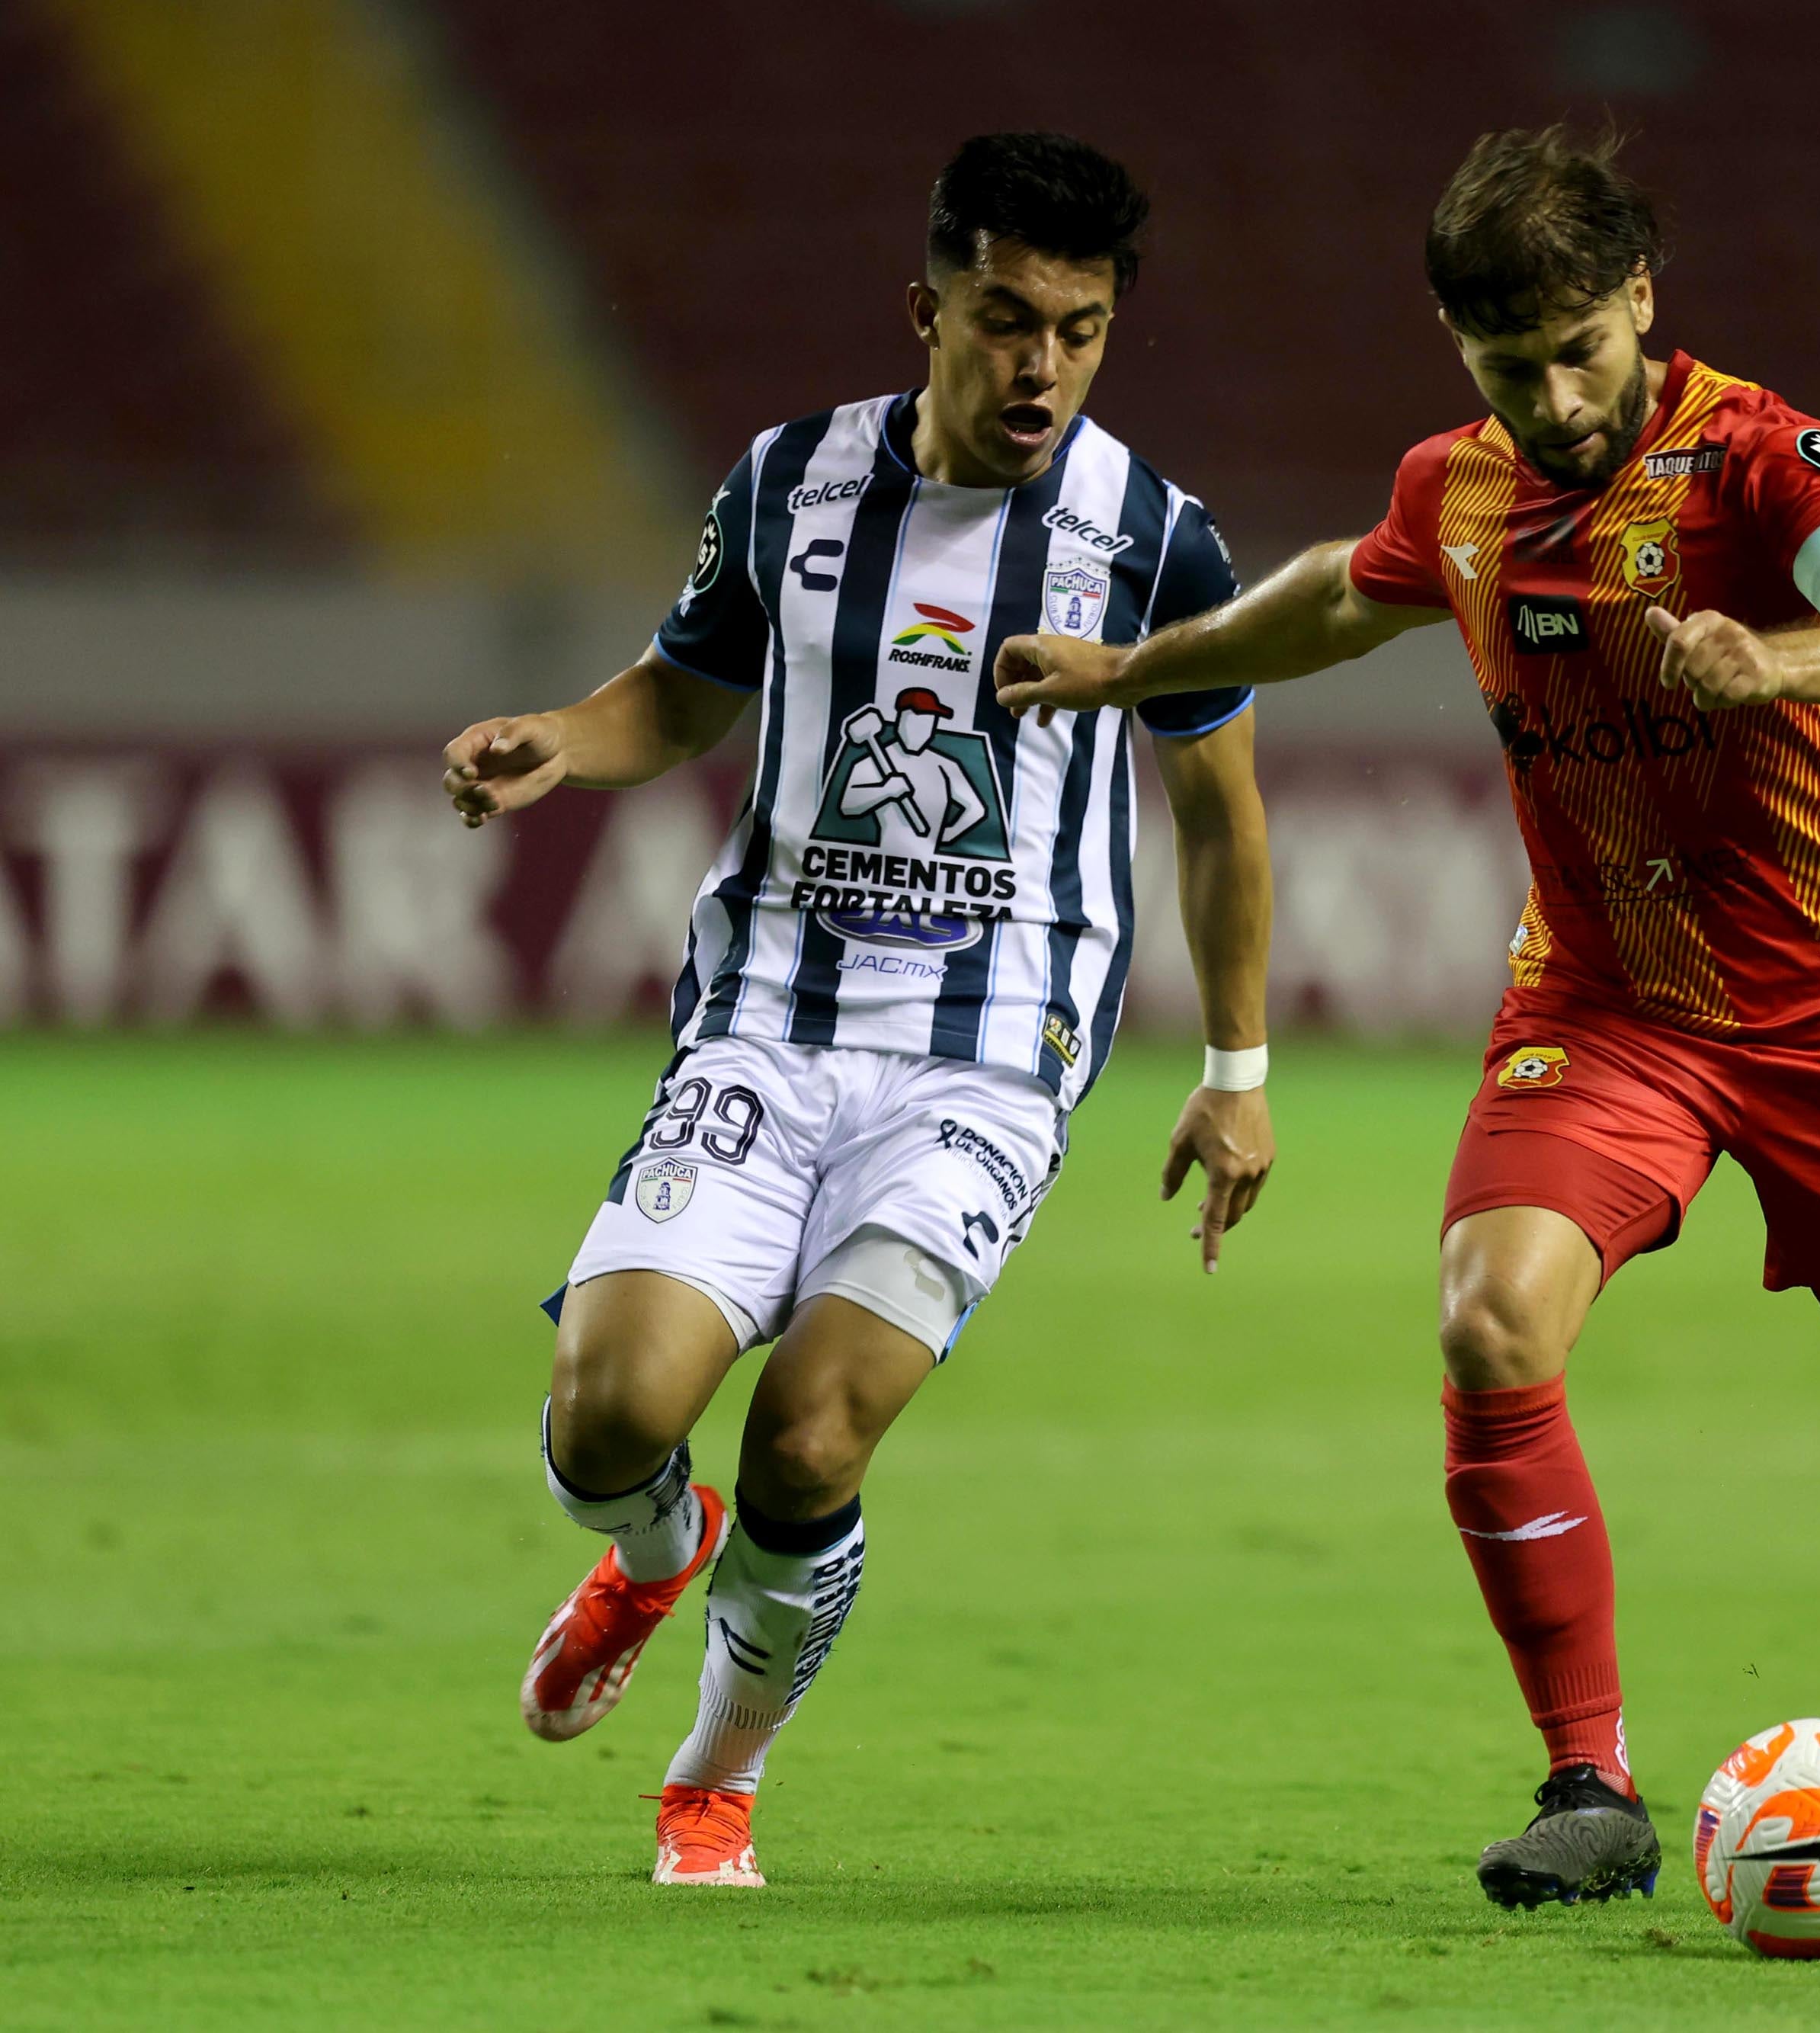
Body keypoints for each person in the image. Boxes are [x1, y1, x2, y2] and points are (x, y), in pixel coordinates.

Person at [993, 127, 1820, 1919]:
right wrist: (1131, 666)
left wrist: (1779, 656)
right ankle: (1590, 1783)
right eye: (1509, 367)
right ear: (1455, 346)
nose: (1555, 400)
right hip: (1606, 995)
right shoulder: (1459, 486)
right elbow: (1347, 588)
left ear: (1639, 298)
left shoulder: (1766, 458)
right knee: (1490, 1320)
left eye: (1578, 349)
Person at [438, 132, 1275, 1888]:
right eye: (1003, 318)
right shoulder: (790, 486)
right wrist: (555, 745)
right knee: (603, 1411)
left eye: (1080, 328)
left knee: (813, 1425)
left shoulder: (1157, 543)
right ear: (928, 309)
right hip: (766, 1019)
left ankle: (714, 1778)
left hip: (988, 1057)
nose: (1039, 363)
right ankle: (655, 1550)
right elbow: (676, 694)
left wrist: (1235, 1067)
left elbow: (1221, 814)